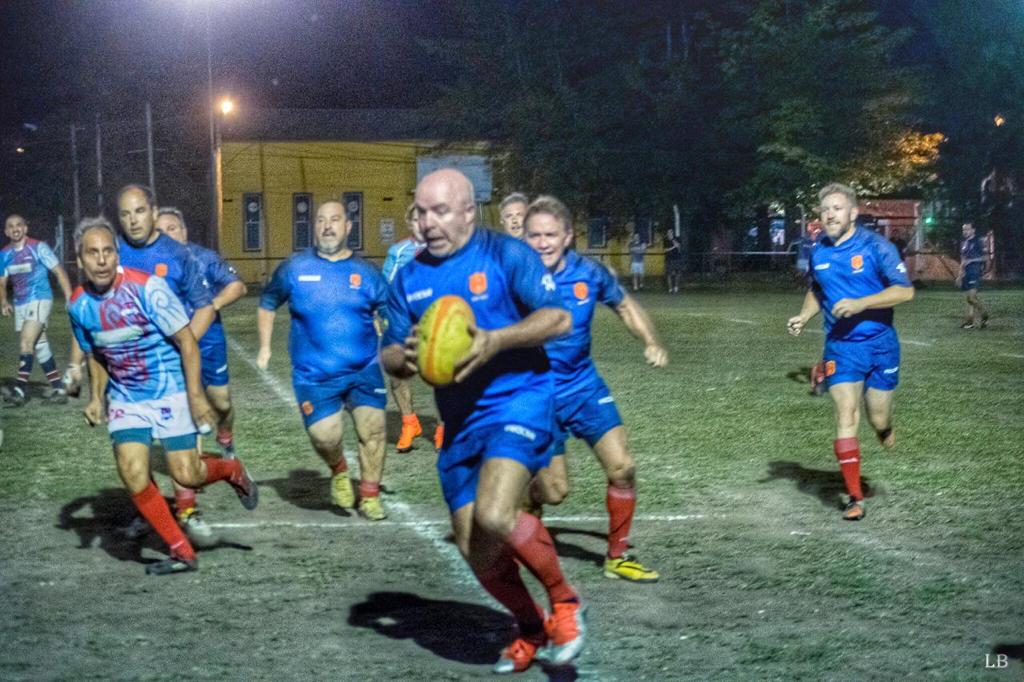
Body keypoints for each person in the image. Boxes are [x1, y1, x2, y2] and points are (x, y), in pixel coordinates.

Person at [381, 169, 586, 673]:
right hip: (459, 420)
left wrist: (495, 339)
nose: (428, 222)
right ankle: (531, 625)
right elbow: (386, 352)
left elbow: (559, 319)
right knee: (475, 546)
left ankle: (565, 603)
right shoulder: (408, 277)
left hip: (519, 400)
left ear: (470, 212)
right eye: (422, 212)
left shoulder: (504, 254)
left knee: (496, 515)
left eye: (441, 211)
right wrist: (404, 358)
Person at [69, 216, 257, 575]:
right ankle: (181, 552)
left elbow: (187, 341)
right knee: (132, 471)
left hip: (169, 387)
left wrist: (195, 396)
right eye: (93, 253)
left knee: (188, 475)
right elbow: (96, 352)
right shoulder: (78, 306)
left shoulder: (147, 289)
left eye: (108, 250)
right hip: (126, 396)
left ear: (117, 255)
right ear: (80, 261)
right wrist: (96, 397)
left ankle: (232, 470)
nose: (102, 259)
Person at [523, 195, 667, 583]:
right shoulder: (512, 277)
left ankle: (617, 557)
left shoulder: (590, 273)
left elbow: (625, 306)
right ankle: (519, 510)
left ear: (567, 235)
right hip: (536, 395)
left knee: (623, 468)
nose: (542, 242)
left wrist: (650, 341)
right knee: (553, 492)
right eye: (534, 235)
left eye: (550, 234)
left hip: (583, 386)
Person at [787, 183, 914, 521]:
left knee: (877, 417)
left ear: (853, 213)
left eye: (837, 208)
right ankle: (855, 497)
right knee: (846, 415)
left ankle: (885, 430)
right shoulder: (819, 251)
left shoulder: (877, 247)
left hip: (881, 344)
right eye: (825, 209)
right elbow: (818, 290)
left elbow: (905, 292)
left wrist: (861, 303)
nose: (830, 214)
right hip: (841, 347)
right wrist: (803, 316)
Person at [257, 201, 389, 521]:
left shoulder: (367, 272)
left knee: (373, 432)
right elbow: (268, 302)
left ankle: (370, 496)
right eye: (320, 220)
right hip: (314, 375)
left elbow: (389, 312)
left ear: (348, 227)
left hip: (364, 369)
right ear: (314, 227)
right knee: (324, 437)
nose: (327, 226)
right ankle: (339, 470)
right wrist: (264, 348)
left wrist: (396, 341)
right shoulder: (294, 268)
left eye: (335, 220)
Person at [103, 184, 218, 542]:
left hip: (170, 373)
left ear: (153, 211)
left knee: (180, 455)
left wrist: (184, 345)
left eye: (139, 211)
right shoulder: (112, 253)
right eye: (125, 214)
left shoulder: (177, 254)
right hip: (125, 374)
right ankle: (149, 514)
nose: (133, 220)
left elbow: (205, 307)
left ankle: (188, 510)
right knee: (134, 451)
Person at [155, 207, 248, 457]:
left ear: (184, 231)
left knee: (222, 403)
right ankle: (191, 467)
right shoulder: (153, 265)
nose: (166, 235)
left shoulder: (204, 258)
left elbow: (238, 287)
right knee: (185, 406)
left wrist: (209, 307)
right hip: (172, 345)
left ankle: (225, 435)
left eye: (171, 228)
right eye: (159, 231)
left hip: (209, 341)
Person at [381, 202, 443, 452]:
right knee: (397, 375)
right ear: (410, 224)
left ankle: (442, 428)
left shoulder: (444, 250)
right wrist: (385, 317)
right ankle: (409, 423)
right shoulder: (398, 252)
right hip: (403, 323)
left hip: (436, 323)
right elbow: (386, 287)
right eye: (416, 220)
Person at [0, 214, 73, 406]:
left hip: (40, 298)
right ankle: (59, 389)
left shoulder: (38, 247)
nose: (15, 229)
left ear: (25, 228)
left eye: (19, 225)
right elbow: (2, 281)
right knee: (39, 345)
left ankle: (19, 390)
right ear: (6, 231)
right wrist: (3, 301)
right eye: (10, 226)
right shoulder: (4, 254)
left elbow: (59, 271)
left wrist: (69, 297)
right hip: (20, 303)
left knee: (26, 342)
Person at [957, 222, 990, 329]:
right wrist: (959, 274)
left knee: (971, 298)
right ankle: (969, 322)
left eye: (967, 229)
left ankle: (984, 314)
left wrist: (972, 261)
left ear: (973, 230)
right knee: (969, 299)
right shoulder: (964, 242)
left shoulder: (978, 241)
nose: (965, 232)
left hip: (975, 272)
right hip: (966, 273)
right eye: (963, 230)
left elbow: (985, 258)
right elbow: (963, 260)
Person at [663, 229, 683, 293]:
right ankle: (670, 288)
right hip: (668, 259)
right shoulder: (665, 241)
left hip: (676, 259)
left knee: (677, 273)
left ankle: (676, 287)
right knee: (669, 274)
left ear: (672, 233)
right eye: (668, 233)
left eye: (671, 232)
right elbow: (665, 250)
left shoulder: (677, 239)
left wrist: (674, 241)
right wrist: (673, 247)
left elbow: (679, 248)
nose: (669, 234)